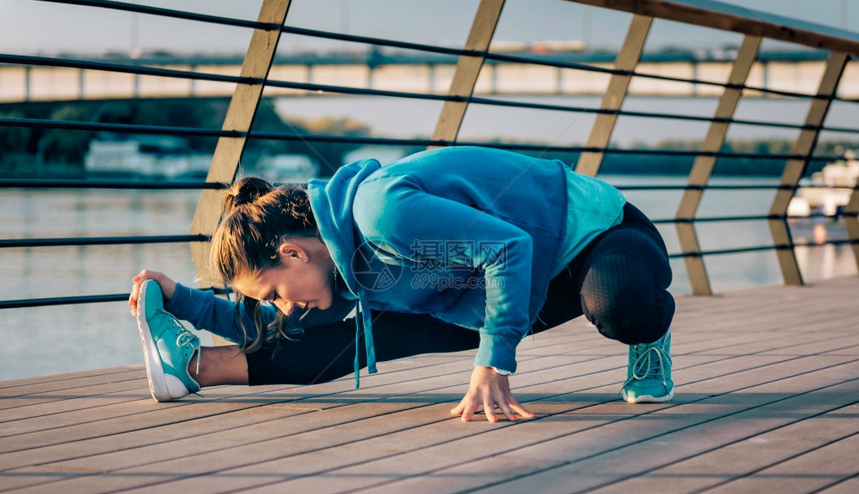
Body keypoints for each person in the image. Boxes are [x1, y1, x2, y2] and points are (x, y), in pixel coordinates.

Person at [130, 146, 675, 422]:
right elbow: (266, 326)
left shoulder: (383, 211)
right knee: (322, 344)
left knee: (620, 306)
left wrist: (492, 362)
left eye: (274, 290)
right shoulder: (340, 270)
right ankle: (191, 366)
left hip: (594, 235)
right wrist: (179, 299)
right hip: (507, 286)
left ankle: (650, 334)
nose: (281, 304)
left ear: (293, 251)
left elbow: (510, 247)